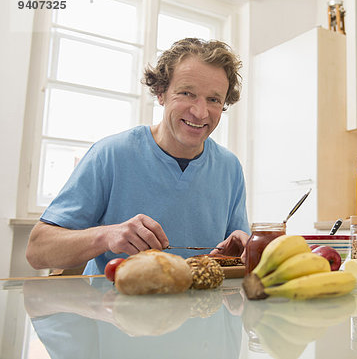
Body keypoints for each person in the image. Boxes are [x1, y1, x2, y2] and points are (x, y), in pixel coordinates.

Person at [26, 38, 250, 275]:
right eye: (186, 93)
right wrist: (106, 236)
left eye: (214, 99)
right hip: (114, 309)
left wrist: (237, 251)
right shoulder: (110, 155)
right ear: (161, 93)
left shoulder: (230, 167)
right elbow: (37, 251)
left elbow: (234, 253)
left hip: (200, 309)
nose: (200, 112)